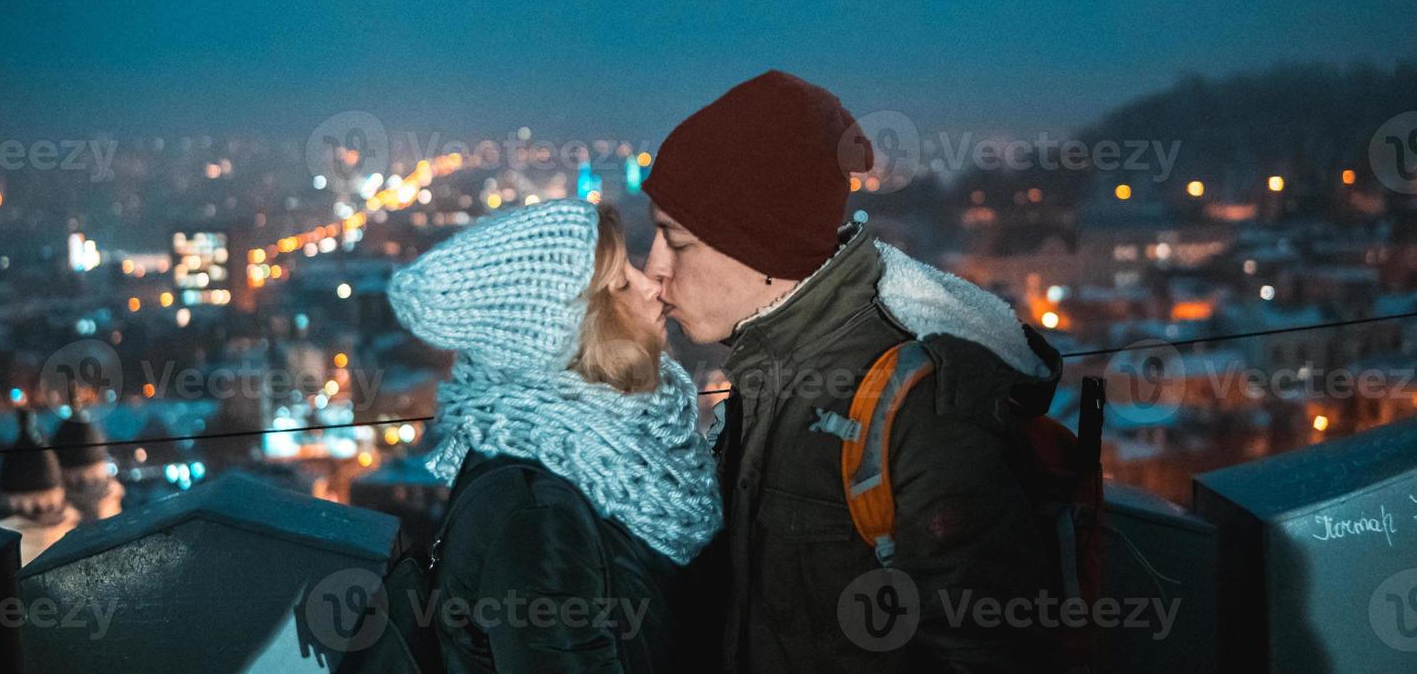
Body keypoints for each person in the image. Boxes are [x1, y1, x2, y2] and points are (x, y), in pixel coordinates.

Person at [641, 70, 1065, 674]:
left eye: (675, 242)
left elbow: (993, 654)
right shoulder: (769, 372)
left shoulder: (917, 409)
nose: (654, 268)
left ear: (760, 246)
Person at [388, 198, 722, 673]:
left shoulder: (602, 459)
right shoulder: (536, 514)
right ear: (572, 332)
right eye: (622, 284)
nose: (653, 285)